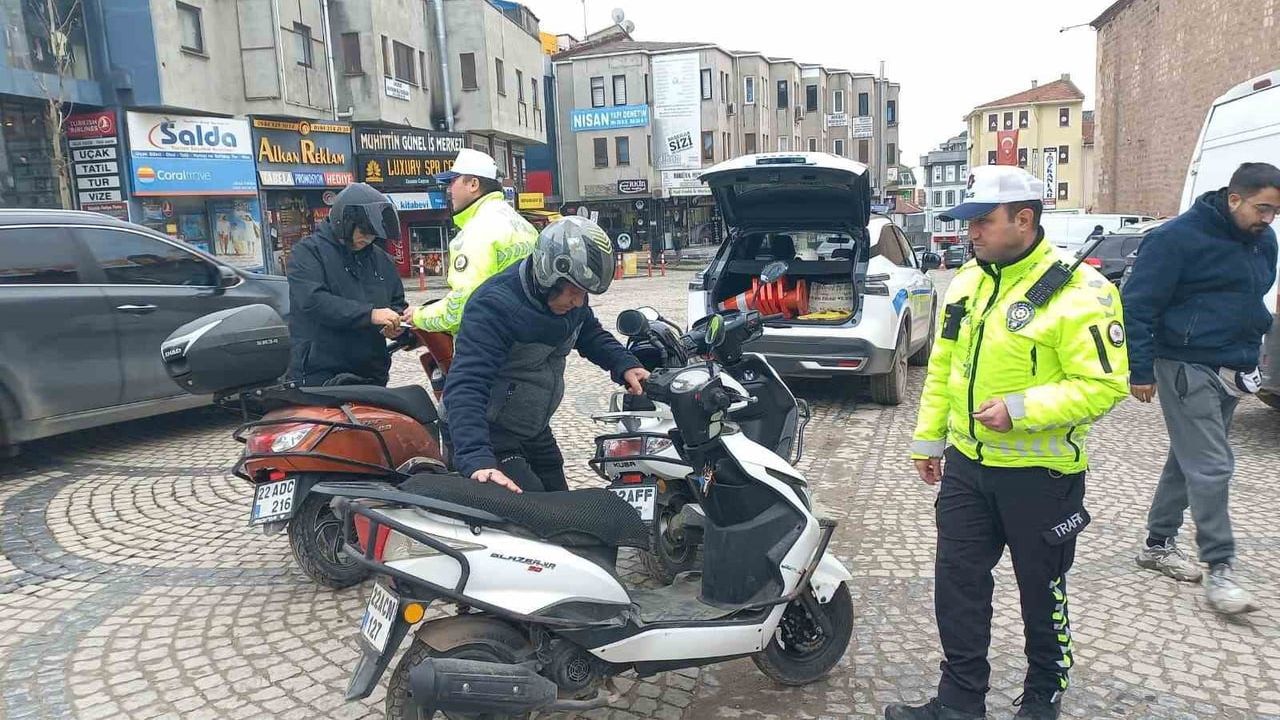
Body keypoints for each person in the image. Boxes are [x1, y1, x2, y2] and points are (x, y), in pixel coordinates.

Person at [886, 166, 1130, 720]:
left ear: (1025, 219)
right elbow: (946, 365)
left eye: (981, 222)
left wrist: (1020, 411)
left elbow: (1104, 384)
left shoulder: (1080, 291)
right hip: (968, 469)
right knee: (958, 587)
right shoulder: (969, 282)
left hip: (1041, 477)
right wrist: (929, 442)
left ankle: (1043, 694)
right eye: (968, 222)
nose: (969, 234)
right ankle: (959, 701)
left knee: (1041, 592)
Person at [1122, 161, 1280, 615]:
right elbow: (1137, 305)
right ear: (1234, 199)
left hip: (1232, 367)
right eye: (1261, 208)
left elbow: (1253, 299)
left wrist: (1251, 357)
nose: (1267, 219)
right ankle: (1221, 568)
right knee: (1212, 466)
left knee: (1187, 459)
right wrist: (1141, 371)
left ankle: (1157, 543)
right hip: (1184, 365)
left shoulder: (1262, 240)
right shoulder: (1175, 239)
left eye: (1274, 212)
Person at [442, 216, 648, 494]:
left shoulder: (571, 300)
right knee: (536, 520)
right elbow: (466, 384)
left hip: (533, 427)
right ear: (547, 276)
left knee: (564, 508)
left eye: (585, 293)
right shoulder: (493, 307)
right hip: (491, 433)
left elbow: (588, 331)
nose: (578, 302)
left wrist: (624, 364)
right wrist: (477, 459)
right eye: (574, 292)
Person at [284, 182, 407, 387]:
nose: (368, 238)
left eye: (373, 234)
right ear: (345, 222)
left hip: (370, 374)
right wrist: (370, 314)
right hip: (321, 373)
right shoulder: (307, 253)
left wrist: (396, 326)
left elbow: (396, 302)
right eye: (364, 231)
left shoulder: (382, 260)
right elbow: (314, 301)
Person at [404, 148, 537, 334]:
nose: (449, 189)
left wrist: (418, 316)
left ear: (473, 184)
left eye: (453, 181)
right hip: (529, 340)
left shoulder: (477, 231)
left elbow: (460, 308)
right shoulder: (522, 225)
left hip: (491, 348)